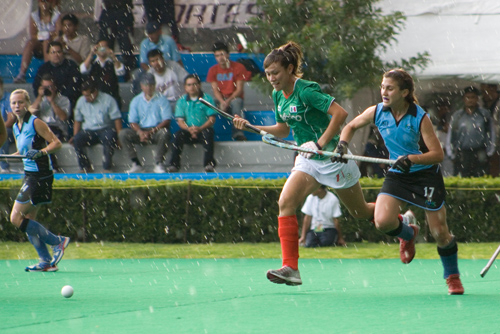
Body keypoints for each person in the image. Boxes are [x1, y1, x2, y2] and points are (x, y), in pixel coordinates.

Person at [232, 41, 384, 286]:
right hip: (308, 160)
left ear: (290, 69)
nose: (271, 78)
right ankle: (291, 268)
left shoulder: (306, 90)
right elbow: (283, 129)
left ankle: (401, 220)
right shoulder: (277, 94)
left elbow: (341, 114)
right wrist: (254, 128)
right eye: (268, 74)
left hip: (333, 158)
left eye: (275, 73)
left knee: (360, 212)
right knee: (285, 202)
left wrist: (321, 144)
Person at [333, 68, 464, 295]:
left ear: (404, 92)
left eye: (389, 88)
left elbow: (437, 154)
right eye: (382, 87)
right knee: (382, 221)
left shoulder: (419, 117)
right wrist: (342, 145)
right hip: (398, 174)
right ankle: (408, 233)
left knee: (440, 233)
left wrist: (411, 159)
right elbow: (350, 126)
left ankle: (452, 277)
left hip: (425, 175)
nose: (384, 91)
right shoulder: (377, 111)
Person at [9, 88, 70, 272]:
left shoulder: (35, 122)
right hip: (30, 175)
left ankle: (58, 241)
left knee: (15, 218)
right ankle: (46, 261)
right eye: (14, 103)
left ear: (27, 104)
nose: (17, 106)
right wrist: (9, 156)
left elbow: (56, 143)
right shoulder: (15, 126)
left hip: (41, 176)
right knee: (28, 219)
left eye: (20, 102)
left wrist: (42, 152)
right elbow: (23, 151)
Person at [119, 73, 172, 173]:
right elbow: (132, 121)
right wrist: (140, 132)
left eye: (151, 85)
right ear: (141, 86)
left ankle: (158, 163)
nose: (149, 88)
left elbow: (166, 120)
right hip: (141, 130)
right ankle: (136, 163)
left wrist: (151, 131)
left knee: (164, 133)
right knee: (123, 133)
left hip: (156, 130)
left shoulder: (162, 99)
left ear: (155, 85)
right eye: (146, 85)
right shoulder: (136, 100)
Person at [167, 74, 217, 173]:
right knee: (178, 135)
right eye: (189, 85)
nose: (192, 87)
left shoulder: (207, 99)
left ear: (199, 85)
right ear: (185, 87)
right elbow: (180, 121)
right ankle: (174, 165)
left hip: (203, 130)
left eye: (194, 84)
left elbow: (212, 119)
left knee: (208, 133)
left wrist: (200, 129)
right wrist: (189, 129)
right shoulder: (181, 101)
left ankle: (209, 164)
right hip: (188, 131)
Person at [71, 79, 122, 173]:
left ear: (95, 92)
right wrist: (74, 135)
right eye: (84, 95)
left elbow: (117, 119)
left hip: (105, 128)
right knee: (77, 139)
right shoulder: (81, 101)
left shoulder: (108, 99)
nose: (86, 98)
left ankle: (107, 168)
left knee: (109, 137)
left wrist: (119, 137)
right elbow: (77, 121)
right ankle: (85, 167)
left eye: (88, 95)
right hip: (88, 130)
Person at [446, 86, 495, 177]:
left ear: (477, 98)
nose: (470, 100)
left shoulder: (484, 115)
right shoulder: (457, 116)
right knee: (462, 183)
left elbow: (491, 134)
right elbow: (451, 136)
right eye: (468, 97)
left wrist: (490, 152)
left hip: (480, 152)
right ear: (464, 99)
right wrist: (451, 154)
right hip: (462, 154)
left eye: (473, 97)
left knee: (481, 180)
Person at [207, 41, 251, 141]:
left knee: (237, 103)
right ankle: (207, 132)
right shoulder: (212, 70)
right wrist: (222, 102)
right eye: (217, 56)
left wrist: (228, 101)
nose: (220, 58)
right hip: (220, 99)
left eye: (222, 54)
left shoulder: (239, 67)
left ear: (228, 54)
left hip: (234, 98)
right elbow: (215, 90)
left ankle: (238, 133)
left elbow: (239, 90)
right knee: (208, 103)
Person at [13, 0, 62, 83]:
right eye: (42, 2)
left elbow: (59, 33)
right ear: (39, 3)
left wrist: (47, 37)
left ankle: (48, 71)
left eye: (47, 2)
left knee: (47, 42)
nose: (44, 4)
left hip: (52, 44)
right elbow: (33, 35)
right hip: (39, 44)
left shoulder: (56, 15)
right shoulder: (34, 16)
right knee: (30, 43)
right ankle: (22, 74)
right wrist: (47, 34)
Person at [30, 73, 71, 171]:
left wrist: (52, 101)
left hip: (58, 128)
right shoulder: (40, 100)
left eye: (49, 87)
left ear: (55, 87)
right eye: (44, 87)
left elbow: (63, 117)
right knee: (33, 139)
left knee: (48, 138)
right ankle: (39, 166)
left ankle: (54, 167)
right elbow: (30, 114)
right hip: (42, 128)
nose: (47, 89)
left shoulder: (63, 99)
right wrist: (40, 97)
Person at [32, 41, 82, 110]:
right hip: (47, 101)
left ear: (63, 53)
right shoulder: (43, 68)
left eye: (59, 52)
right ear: (48, 54)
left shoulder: (71, 66)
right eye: (53, 52)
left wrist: (59, 98)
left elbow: (74, 86)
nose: (56, 55)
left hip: (68, 101)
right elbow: (36, 86)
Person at [80, 39, 125, 109]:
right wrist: (91, 53)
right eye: (100, 47)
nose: (102, 49)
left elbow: (120, 72)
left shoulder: (113, 62)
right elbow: (83, 70)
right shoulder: (92, 62)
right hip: (95, 97)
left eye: (105, 47)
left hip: (112, 96)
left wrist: (112, 55)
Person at [97, 0, 136, 80]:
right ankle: (106, 75)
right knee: (105, 46)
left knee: (127, 47)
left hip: (124, 11)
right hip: (108, 12)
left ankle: (128, 75)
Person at [480, 83, 500, 176]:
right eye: (483, 91)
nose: (485, 94)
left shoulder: (497, 103)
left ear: (494, 89)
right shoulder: (481, 104)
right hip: (484, 142)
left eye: (487, 91)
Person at [0, 78, 15, 173]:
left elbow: (10, 121)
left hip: (10, 130)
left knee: (1, 135)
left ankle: (4, 167)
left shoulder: (10, 98)